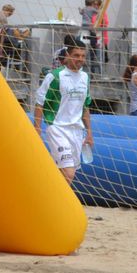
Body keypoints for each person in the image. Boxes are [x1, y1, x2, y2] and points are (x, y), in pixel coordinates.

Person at [33, 41, 93, 185]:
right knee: (68, 173)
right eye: (76, 55)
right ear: (67, 56)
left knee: (64, 173)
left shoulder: (85, 77)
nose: (80, 59)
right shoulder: (55, 76)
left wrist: (89, 132)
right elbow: (39, 103)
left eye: (83, 56)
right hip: (58, 129)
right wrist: (37, 127)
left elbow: (85, 107)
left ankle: (48, 198)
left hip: (77, 131)